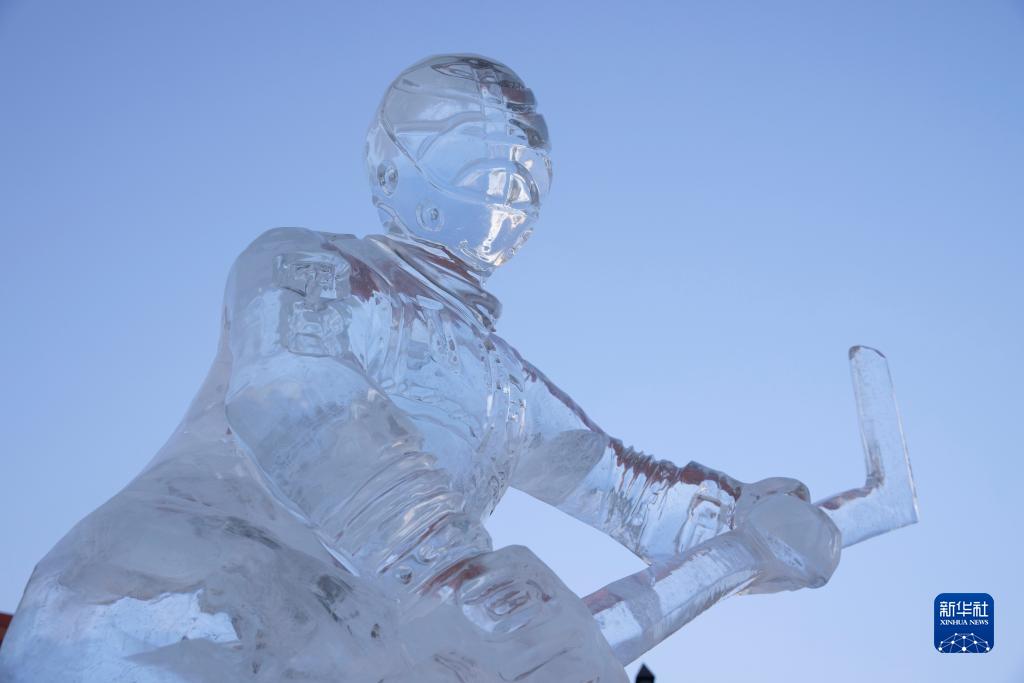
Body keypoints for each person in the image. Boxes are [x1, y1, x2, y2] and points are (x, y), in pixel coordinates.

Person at [0, 55, 840, 682]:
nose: (512, 180)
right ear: (389, 164)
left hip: (351, 631)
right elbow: (299, 400)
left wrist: (748, 521)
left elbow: (630, 489)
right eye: (475, 148)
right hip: (171, 595)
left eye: (527, 163)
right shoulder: (308, 265)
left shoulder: (505, 387)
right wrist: (454, 572)